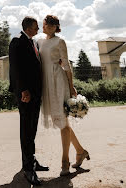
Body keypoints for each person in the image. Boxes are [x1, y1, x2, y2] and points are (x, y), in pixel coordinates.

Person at [38, 15, 90, 176]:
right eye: (45, 24)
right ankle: (81, 151)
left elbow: (66, 65)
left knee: (62, 120)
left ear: (55, 27)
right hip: (46, 83)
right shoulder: (39, 42)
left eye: (49, 25)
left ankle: (65, 163)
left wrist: (71, 85)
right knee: (60, 121)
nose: (46, 26)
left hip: (58, 81)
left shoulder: (60, 42)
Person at [9, 16, 49, 186]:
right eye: (36, 27)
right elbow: (16, 68)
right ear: (28, 28)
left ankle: (32, 161)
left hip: (35, 92)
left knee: (32, 128)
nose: (38, 29)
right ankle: (27, 169)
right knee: (26, 129)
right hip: (26, 93)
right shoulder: (17, 41)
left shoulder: (32, 42)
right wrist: (23, 89)